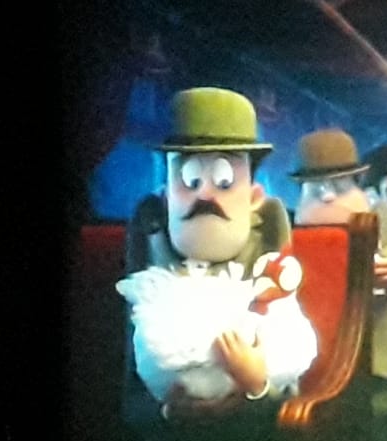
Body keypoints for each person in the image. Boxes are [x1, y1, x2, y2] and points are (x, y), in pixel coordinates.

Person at [115, 88, 317, 423]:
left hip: (253, 438)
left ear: (254, 197)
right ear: (166, 196)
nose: (205, 195)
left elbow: (289, 375)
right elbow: (131, 387)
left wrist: (256, 384)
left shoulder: (268, 259)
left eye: (224, 181)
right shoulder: (150, 253)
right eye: (190, 180)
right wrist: (167, 410)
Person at [291, 129, 387, 387]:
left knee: (382, 367)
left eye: (338, 185)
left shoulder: (375, 211)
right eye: (317, 186)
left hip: (375, 319)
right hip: (317, 320)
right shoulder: (295, 224)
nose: (328, 195)